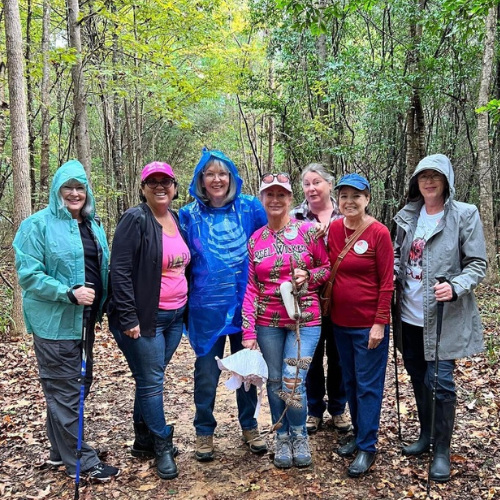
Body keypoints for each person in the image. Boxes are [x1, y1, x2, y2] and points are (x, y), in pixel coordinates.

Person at [12, 160, 120, 482]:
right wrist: (67, 293)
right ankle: (82, 462)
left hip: (84, 322)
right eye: (68, 187)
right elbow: (29, 275)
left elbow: (103, 270)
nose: (74, 193)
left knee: (70, 387)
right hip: (55, 323)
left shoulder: (92, 226)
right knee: (65, 389)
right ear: (56, 190)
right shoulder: (37, 225)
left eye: (80, 187)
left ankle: (59, 451)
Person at [393, 154, 487, 482]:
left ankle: (442, 451)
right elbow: (397, 254)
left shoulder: (465, 214)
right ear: (416, 182)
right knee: (418, 376)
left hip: (444, 316)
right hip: (408, 315)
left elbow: (477, 263)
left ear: (446, 179)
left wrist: (456, 285)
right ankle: (425, 436)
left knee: (441, 382)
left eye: (435, 176)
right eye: (423, 176)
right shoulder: (406, 216)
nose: (429, 181)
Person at [179, 148, 268, 461]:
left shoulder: (250, 208)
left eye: (222, 173)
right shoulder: (188, 215)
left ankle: (250, 426)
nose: (216, 179)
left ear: (231, 177)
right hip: (206, 311)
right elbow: (181, 260)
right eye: (209, 173)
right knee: (206, 372)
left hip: (246, 304)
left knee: (246, 369)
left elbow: (271, 239)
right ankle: (204, 430)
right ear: (201, 180)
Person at [242, 173, 331, 469]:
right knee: (276, 380)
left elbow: (326, 268)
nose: (276, 200)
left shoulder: (308, 232)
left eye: (282, 194)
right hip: (267, 321)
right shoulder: (255, 240)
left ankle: (299, 433)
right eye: (270, 195)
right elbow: (251, 287)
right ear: (262, 199)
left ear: (291, 199)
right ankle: (281, 436)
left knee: (294, 380)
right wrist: (248, 331)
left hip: (304, 319)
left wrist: (309, 277)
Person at [108, 162, 189, 480]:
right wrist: (129, 318)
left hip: (175, 315)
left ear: (174, 186)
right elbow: (121, 271)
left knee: (149, 377)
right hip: (143, 319)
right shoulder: (135, 219)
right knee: (153, 380)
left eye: (165, 181)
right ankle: (161, 445)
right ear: (143, 188)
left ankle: (142, 441)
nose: (160, 186)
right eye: (152, 182)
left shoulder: (176, 218)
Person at [328, 173, 393, 477]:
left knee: (368, 387)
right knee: (350, 382)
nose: (349, 202)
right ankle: (358, 432)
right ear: (337, 200)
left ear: (367, 198)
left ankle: (368, 447)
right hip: (340, 323)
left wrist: (380, 322)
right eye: (344, 196)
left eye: (356, 196)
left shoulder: (378, 233)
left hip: (369, 326)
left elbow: (386, 283)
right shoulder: (333, 230)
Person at [290, 163, 351, 434]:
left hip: (341, 297)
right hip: (306, 300)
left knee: (339, 356)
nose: (312, 188)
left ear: (329, 184)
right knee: (310, 356)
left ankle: (338, 409)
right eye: (306, 183)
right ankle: (314, 410)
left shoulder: (346, 214)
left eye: (317, 182)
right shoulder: (295, 217)